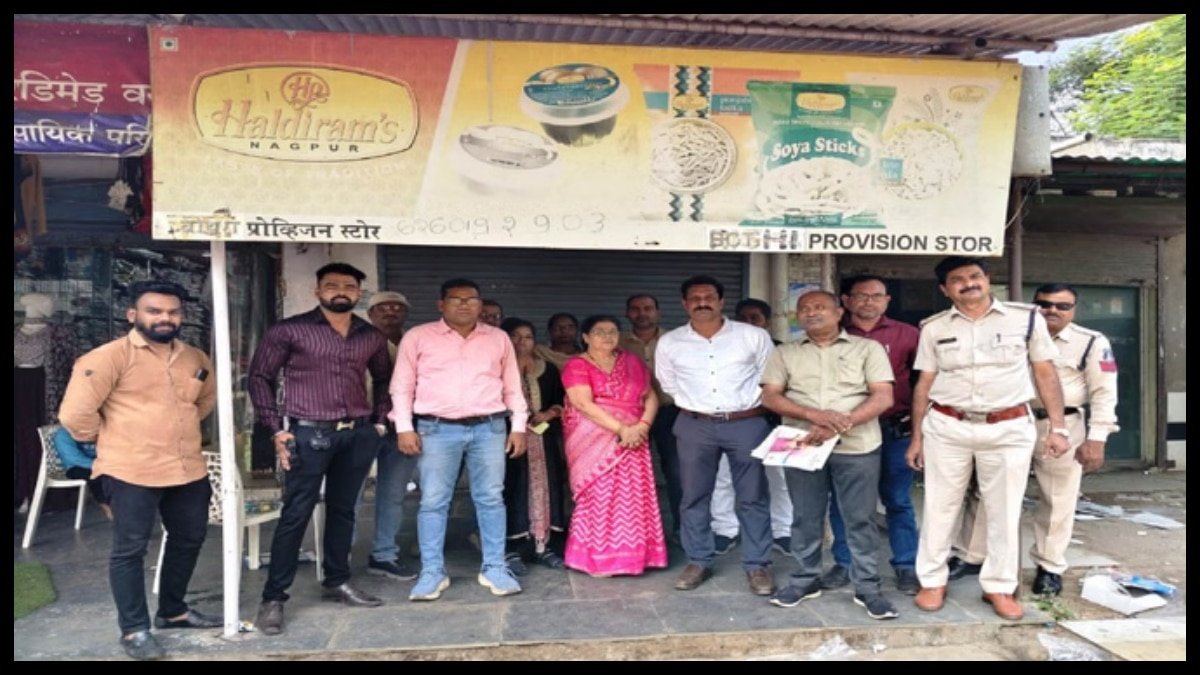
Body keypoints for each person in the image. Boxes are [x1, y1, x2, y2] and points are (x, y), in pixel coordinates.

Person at [57, 280, 219, 660]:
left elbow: (205, 401)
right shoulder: (108, 357)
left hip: (186, 468)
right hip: (130, 469)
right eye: (155, 311)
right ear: (133, 314)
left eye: (173, 312)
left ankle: (173, 611)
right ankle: (133, 630)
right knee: (130, 549)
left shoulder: (195, 357)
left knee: (189, 538)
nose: (165, 318)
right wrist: (118, 437)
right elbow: (75, 416)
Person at [907, 256, 1069, 621]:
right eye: (958, 279)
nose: (969, 283)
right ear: (945, 289)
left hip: (1008, 427)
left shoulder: (1026, 319)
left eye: (975, 276)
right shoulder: (933, 327)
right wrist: (916, 438)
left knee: (1004, 510)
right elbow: (924, 383)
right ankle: (932, 581)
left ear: (987, 279)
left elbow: (1045, 372)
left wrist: (1058, 427)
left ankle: (999, 586)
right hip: (947, 426)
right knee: (939, 507)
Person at [251, 263, 393, 637]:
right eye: (331, 285)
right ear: (318, 291)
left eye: (349, 286)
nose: (340, 291)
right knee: (296, 513)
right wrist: (275, 429)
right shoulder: (289, 330)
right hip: (307, 433)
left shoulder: (370, 335)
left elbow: (384, 379)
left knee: (344, 511)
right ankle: (273, 598)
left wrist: (380, 421)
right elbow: (260, 378)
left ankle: (337, 581)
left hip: (357, 434)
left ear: (359, 293)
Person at [950, 283, 1119, 597]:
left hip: (1061, 424)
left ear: (1074, 310)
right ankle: (971, 555)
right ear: (1034, 305)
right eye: (1045, 304)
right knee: (987, 489)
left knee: (1057, 497)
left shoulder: (1091, 342)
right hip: (1009, 420)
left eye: (1062, 306)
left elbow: (1104, 392)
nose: (1053, 310)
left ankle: (1049, 566)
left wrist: (1097, 438)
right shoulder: (1013, 333)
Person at [761, 290, 898, 620]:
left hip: (858, 445)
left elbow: (883, 397)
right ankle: (805, 578)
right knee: (805, 516)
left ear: (839, 312)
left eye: (820, 307)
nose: (811, 312)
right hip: (802, 443)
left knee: (860, 518)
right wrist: (813, 415)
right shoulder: (785, 352)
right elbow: (770, 396)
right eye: (804, 308)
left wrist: (838, 424)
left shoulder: (868, 348)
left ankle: (867, 586)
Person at [391, 278, 528, 601]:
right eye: (456, 299)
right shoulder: (418, 337)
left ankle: (494, 567)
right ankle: (432, 572)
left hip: (489, 427)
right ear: (441, 304)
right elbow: (402, 385)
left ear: (480, 304)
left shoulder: (497, 338)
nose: (465, 305)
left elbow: (512, 385)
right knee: (433, 501)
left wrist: (519, 426)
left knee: (491, 498)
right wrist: (404, 427)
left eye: (472, 299)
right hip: (436, 429)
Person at [656, 275, 776, 596]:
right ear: (684, 304)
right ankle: (698, 560)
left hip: (746, 422)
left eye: (709, 297)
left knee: (752, 495)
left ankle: (757, 564)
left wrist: (743, 408)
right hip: (695, 423)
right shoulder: (670, 342)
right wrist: (699, 407)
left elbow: (770, 377)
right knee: (694, 495)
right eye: (695, 298)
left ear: (721, 301)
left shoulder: (752, 336)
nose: (702, 303)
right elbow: (668, 384)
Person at [822, 275, 922, 595]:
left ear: (887, 301)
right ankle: (844, 562)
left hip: (894, 428)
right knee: (844, 501)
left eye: (877, 296)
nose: (869, 301)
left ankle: (906, 564)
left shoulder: (908, 334)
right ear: (846, 301)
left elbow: (923, 383)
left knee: (897, 499)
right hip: (847, 430)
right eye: (861, 296)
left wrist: (919, 429)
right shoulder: (833, 333)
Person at [562, 315, 667, 575]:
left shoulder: (632, 361)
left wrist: (642, 426)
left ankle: (634, 558)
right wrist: (621, 429)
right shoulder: (576, 365)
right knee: (598, 495)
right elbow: (582, 403)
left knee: (633, 496)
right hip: (595, 438)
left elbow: (651, 396)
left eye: (612, 331)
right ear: (585, 337)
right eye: (599, 332)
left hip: (634, 436)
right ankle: (597, 559)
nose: (607, 336)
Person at [716, 297, 793, 556]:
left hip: (777, 423)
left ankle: (783, 531)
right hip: (735, 422)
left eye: (755, 318)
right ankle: (724, 530)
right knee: (724, 477)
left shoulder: (783, 351)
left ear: (767, 322)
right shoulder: (721, 350)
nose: (749, 323)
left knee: (779, 478)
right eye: (743, 318)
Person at [501, 317, 568, 574]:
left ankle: (544, 545)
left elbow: (561, 400)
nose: (522, 342)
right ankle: (512, 546)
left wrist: (548, 414)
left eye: (528, 337)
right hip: (508, 438)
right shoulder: (497, 368)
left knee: (547, 487)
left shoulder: (547, 368)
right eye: (515, 336)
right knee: (512, 487)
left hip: (543, 439)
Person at [364, 290, 419, 581]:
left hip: (404, 427)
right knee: (351, 496)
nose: (390, 311)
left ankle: (383, 555)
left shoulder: (415, 341)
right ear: (370, 313)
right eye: (383, 307)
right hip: (364, 425)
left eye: (397, 307)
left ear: (406, 313)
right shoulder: (358, 340)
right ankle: (337, 561)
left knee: (393, 494)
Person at [619, 293, 682, 541]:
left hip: (670, 412)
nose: (642, 313)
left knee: (677, 471)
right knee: (629, 475)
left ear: (658, 312)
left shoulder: (676, 340)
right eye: (635, 309)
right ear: (627, 313)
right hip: (629, 417)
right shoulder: (616, 341)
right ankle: (634, 534)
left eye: (648, 308)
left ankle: (681, 528)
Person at [15, 292, 75, 511]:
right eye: (46, 301)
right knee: (20, 440)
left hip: (45, 389)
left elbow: (69, 364)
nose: (52, 304)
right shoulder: (16, 331)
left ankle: (44, 494)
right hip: (19, 387)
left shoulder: (59, 333)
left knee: (42, 438)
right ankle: (22, 491)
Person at [51, 426, 112, 520]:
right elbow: (75, 459)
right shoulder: (63, 434)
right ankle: (107, 506)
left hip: (100, 462)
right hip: (76, 467)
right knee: (96, 476)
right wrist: (101, 466)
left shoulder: (98, 428)